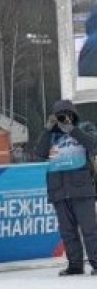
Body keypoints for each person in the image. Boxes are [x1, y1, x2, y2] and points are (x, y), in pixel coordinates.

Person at [33, 98, 97, 275]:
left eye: (67, 115)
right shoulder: (51, 135)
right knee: (67, 232)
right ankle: (75, 265)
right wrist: (47, 129)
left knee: (90, 230)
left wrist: (72, 130)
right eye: (60, 116)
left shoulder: (85, 127)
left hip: (82, 189)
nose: (63, 119)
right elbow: (39, 153)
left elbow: (94, 144)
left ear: (73, 115)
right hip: (59, 190)